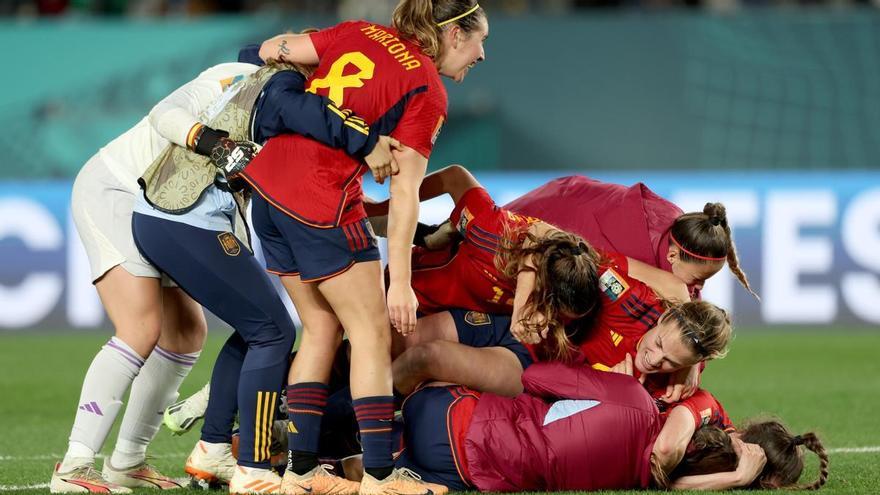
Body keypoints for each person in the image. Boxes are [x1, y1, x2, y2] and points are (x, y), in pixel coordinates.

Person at [238, 2, 488, 494]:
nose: (482, 54)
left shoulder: (359, 31)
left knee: (319, 329)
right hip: (320, 201)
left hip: (266, 190)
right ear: (455, 35)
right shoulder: (427, 89)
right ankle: (380, 477)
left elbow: (267, 52)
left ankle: (301, 473)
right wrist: (401, 283)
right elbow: (405, 193)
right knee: (372, 332)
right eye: (481, 41)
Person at [130, 55, 399, 495]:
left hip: (173, 215)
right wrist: (365, 138)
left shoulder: (280, 94)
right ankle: (252, 466)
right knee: (273, 332)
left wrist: (417, 233)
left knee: (257, 328)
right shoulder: (287, 89)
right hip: (186, 216)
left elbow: (325, 206)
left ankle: (213, 446)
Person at [392, 362, 828, 491]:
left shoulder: (635, 398)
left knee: (414, 382)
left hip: (453, 417)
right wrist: (734, 476)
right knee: (375, 467)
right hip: (466, 477)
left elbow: (534, 377)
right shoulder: (648, 481)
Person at [504, 174, 758, 299]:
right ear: (671, 255)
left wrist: (692, 361)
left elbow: (687, 309)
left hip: (574, 208)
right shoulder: (626, 248)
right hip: (550, 215)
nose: (698, 289)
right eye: (697, 280)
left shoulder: (686, 235)